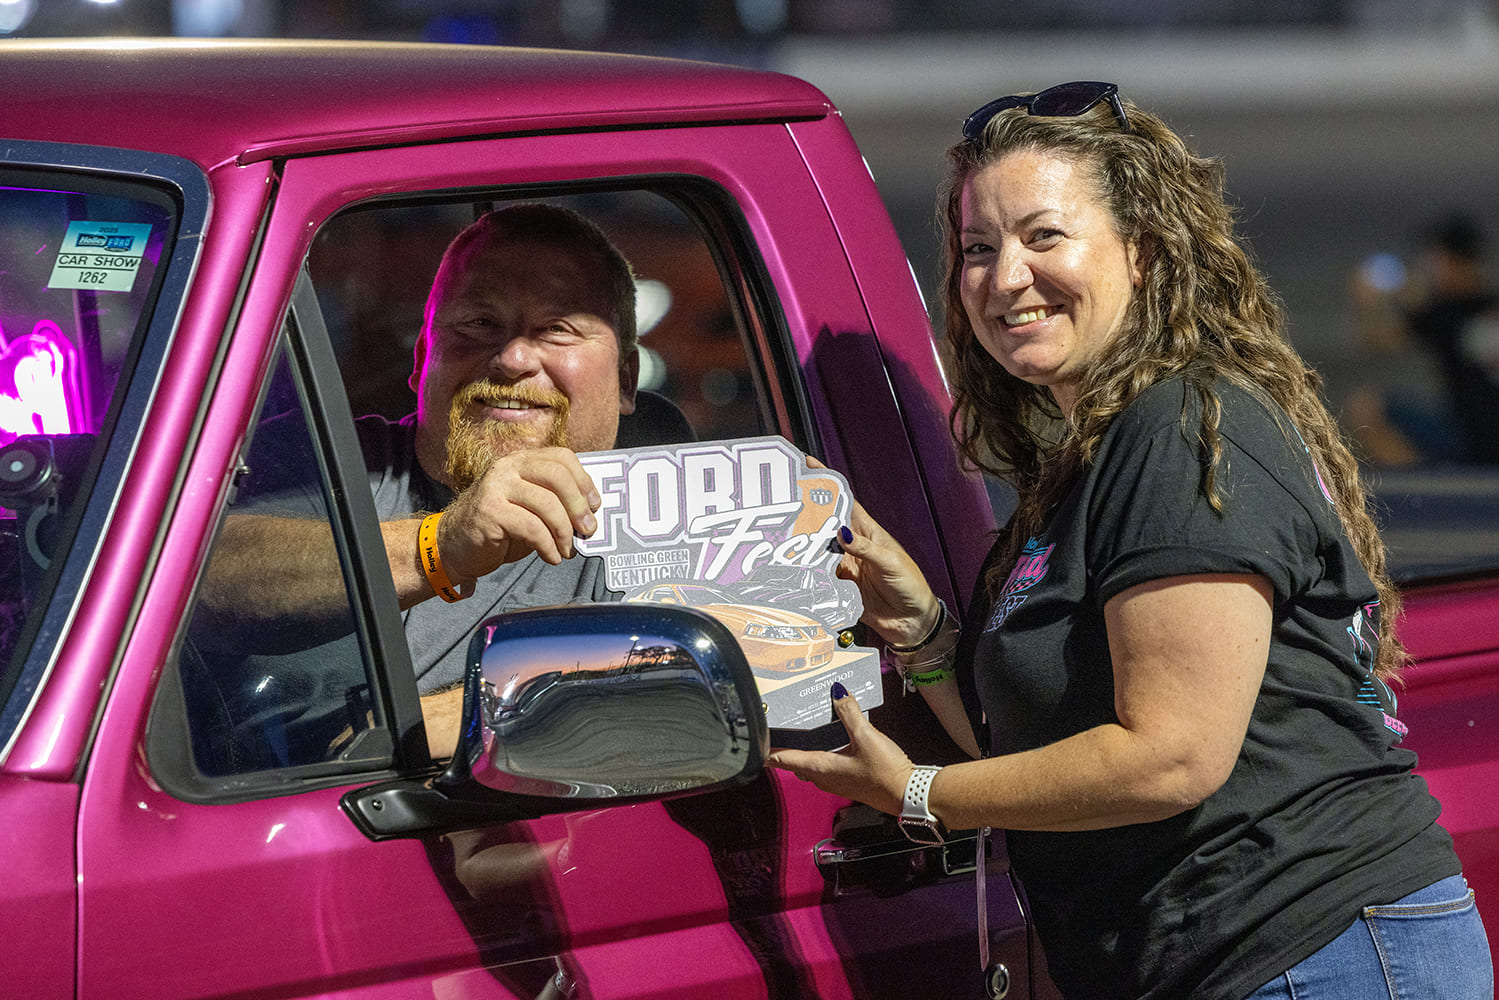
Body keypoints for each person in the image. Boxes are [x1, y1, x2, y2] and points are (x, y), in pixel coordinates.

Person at [767, 82, 1492, 999]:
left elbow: (1169, 755)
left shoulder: (1181, 422)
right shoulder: (1087, 461)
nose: (1004, 277)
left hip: (1313, 952)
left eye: (1043, 236)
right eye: (977, 250)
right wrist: (926, 637)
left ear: (1142, 253)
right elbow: (1041, 750)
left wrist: (919, 794)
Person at [193, 203, 640, 761]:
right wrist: (440, 545)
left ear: (626, 379)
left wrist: (488, 708)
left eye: (556, 329)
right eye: (479, 324)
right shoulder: (328, 457)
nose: (512, 357)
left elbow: (759, 663)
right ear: (423, 357)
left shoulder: (695, 509)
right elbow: (195, 578)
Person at [1347, 213, 1499, 465]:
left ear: (1450, 261)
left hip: (1472, 436)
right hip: (1482, 435)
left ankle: (1427, 492)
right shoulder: (1486, 305)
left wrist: (1364, 302)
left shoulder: (1446, 311)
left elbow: (1377, 340)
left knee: (1366, 409)